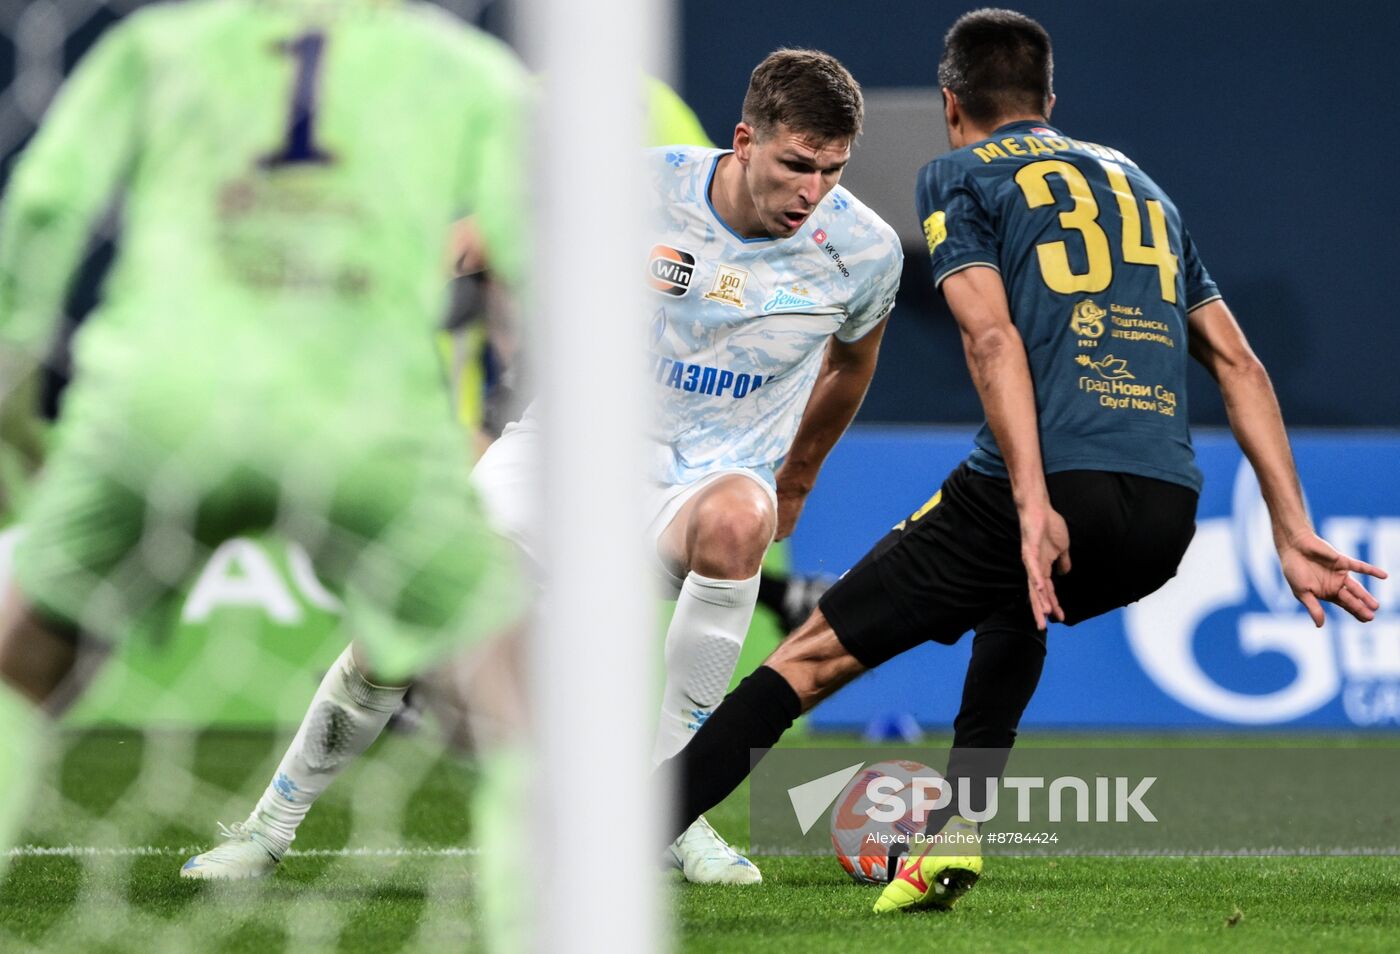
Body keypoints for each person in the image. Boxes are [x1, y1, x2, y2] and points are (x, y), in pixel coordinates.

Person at [658, 6, 1387, 915]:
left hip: (1048, 486)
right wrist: (1293, 529)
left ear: (950, 103)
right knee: (1017, 598)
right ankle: (956, 834)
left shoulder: (958, 173)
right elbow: (1238, 362)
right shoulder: (1141, 187)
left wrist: (1036, 504)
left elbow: (992, 338)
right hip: (1165, 514)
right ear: (1051, 100)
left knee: (809, 660)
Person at [185, 47, 904, 886]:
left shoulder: (863, 249)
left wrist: (798, 478)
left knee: (740, 524)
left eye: (831, 169)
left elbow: (851, 364)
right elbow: (480, 238)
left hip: (710, 474)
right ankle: (268, 829)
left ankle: (676, 812)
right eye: (794, 165)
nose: (811, 192)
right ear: (745, 140)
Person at [0, 0, 531, 867]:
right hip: (362, 418)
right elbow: (536, 253)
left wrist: (13, 399)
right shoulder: (468, 71)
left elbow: (45, 203)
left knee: (23, 659)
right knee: (519, 713)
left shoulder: (162, 45)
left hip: (161, 405)